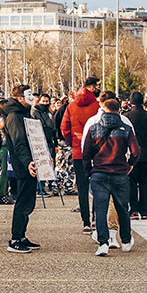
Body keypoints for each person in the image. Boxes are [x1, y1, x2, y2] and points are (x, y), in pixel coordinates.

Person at [83, 94, 139, 257]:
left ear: (103, 110)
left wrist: (89, 172)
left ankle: (103, 243)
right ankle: (126, 241)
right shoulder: (126, 128)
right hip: (120, 173)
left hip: (99, 173)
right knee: (122, 207)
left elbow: (86, 153)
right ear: (119, 110)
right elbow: (136, 151)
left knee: (100, 209)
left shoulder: (94, 127)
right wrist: (130, 164)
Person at [0, 86, 40, 255]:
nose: (32, 98)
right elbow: (19, 142)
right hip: (23, 165)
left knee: (28, 200)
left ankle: (21, 235)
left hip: (28, 162)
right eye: (28, 95)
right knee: (23, 201)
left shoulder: (23, 113)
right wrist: (27, 162)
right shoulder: (15, 115)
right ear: (20, 98)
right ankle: (15, 239)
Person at [60, 77, 101, 233]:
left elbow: (64, 129)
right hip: (96, 152)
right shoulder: (98, 106)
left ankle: (86, 222)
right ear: (90, 88)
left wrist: (74, 143)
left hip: (78, 151)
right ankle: (97, 217)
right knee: (98, 185)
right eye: (97, 86)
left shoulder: (71, 106)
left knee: (82, 187)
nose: (99, 88)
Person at [124, 92, 147, 220]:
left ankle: (133, 210)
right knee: (145, 184)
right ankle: (145, 211)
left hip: (132, 155)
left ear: (130, 102)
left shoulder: (126, 117)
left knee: (131, 183)